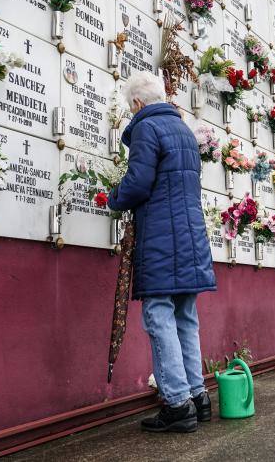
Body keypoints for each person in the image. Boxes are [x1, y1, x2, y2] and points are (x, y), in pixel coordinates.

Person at [108, 71, 216, 433]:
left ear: (138, 104)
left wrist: (114, 199)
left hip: (160, 236)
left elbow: (139, 182)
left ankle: (176, 404)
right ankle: (198, 397)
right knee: (185, 314)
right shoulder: (183, 129)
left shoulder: (146, 128)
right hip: (190, 234)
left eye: (130, 107)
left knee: (158, 314)